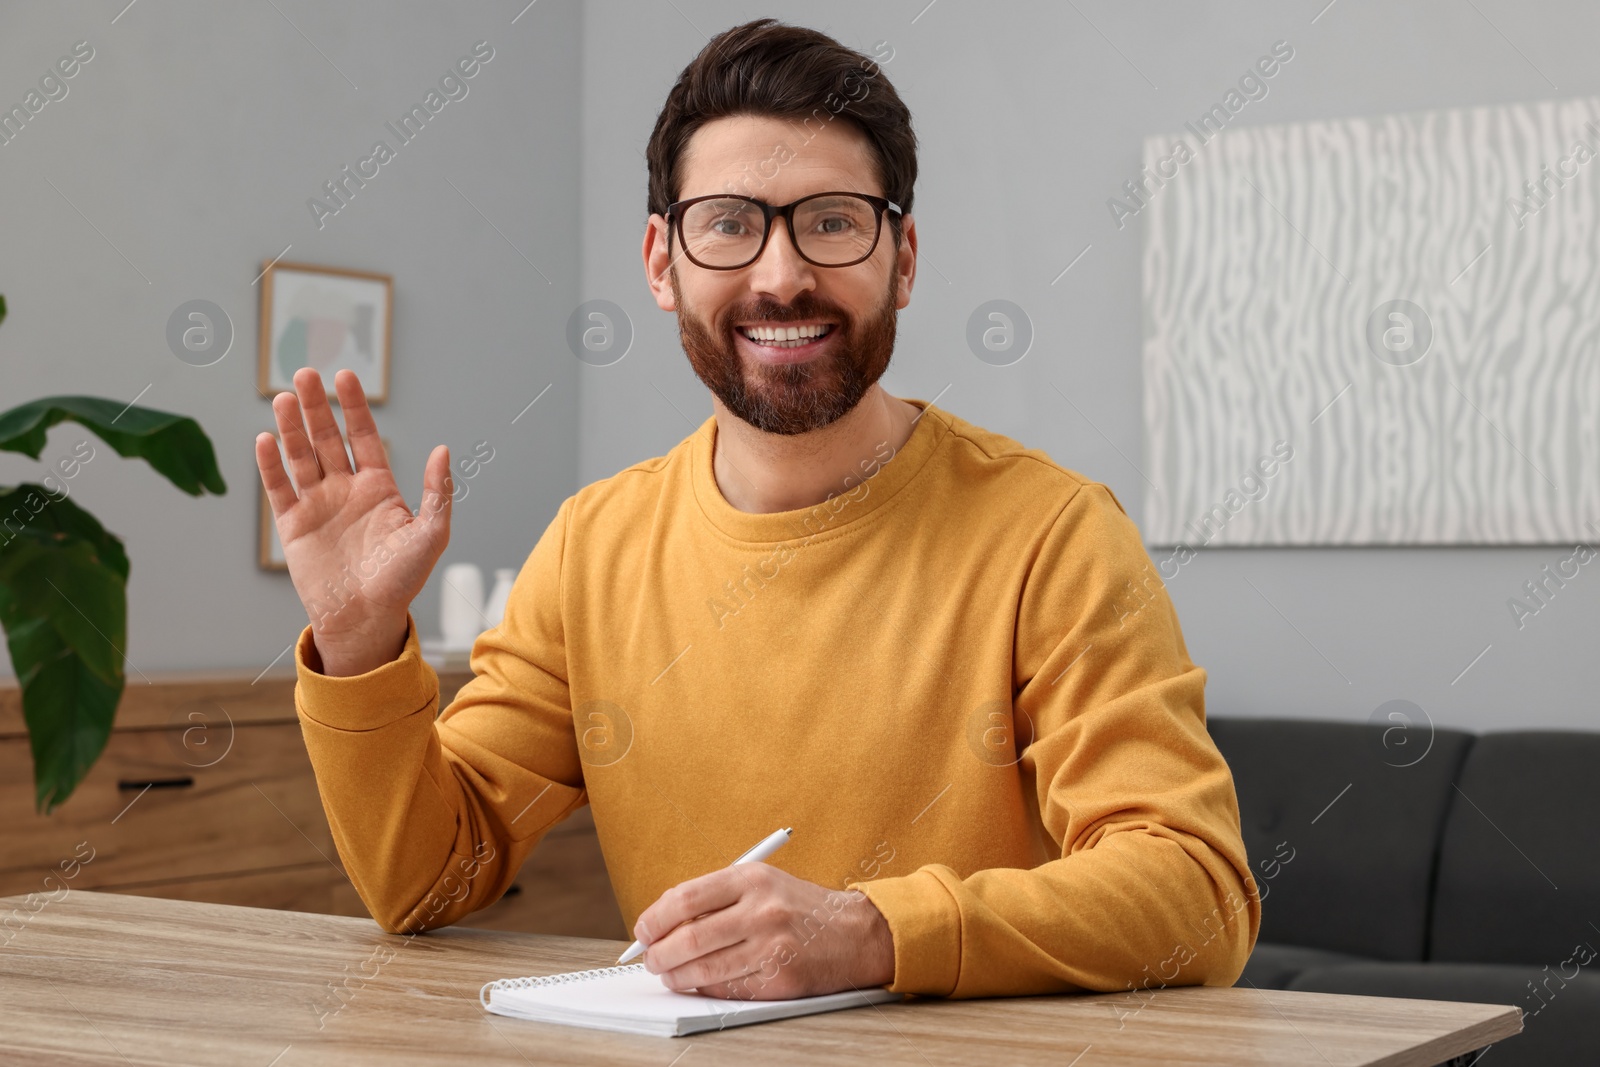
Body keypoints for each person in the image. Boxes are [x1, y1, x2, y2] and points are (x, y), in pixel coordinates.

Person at [255, 17, 1259, 1003]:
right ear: (661, 263)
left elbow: (1196, 890)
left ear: (902, 259)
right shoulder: (591, 547)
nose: (782, 276)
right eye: (730, 223)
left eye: (830, 220)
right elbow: (426, 879)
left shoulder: (1054, 534)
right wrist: (358, 643)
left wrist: (871, 933)